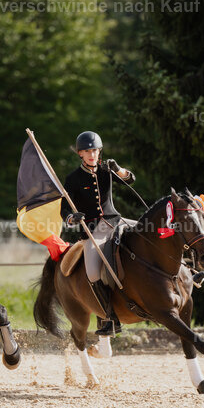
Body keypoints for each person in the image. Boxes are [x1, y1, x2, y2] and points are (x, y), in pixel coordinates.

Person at [61, 131, 136, 336]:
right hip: (93, 229)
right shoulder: (73, 179)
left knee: (149, 233)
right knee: (94, 273)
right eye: (87, 151)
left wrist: (118, 170)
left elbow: (131, 179)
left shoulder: (106, 170)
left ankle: (188, 272)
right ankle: (109, 317)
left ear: (99, 151)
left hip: (116, 220)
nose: (92, 154)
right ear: (80, 154)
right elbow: (64, 210)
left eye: (94, 150)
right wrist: (72, 218)